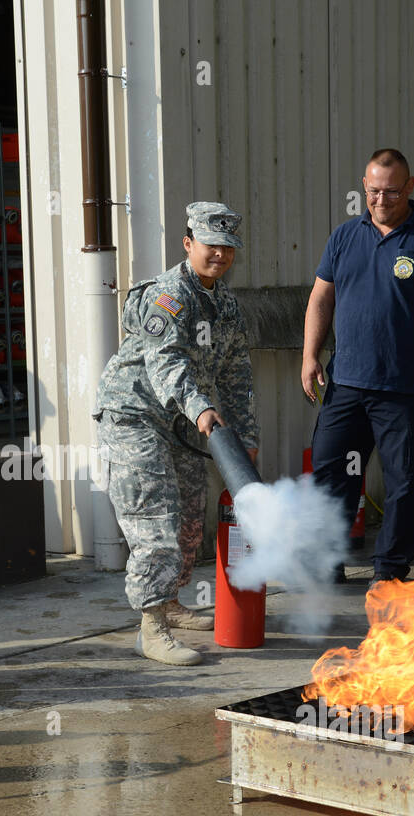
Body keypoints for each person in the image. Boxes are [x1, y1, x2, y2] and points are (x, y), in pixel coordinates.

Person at [94, 202, 258, 666]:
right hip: (135, 416)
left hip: (181, 424)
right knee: (156, 519)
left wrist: (246, 435)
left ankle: (170, 601)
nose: (220, 256)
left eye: (227, 248)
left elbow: (236, 374)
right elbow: (167, 362)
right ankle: (151, 628)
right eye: (211, 245)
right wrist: (202, 409)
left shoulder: (224, 302)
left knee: (189, 515)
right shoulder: (168, 295)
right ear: (188, 244)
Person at [302, 148, 414, 589]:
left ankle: (389, 571)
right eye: (373, 191)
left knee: (405, 481)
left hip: (405, 388)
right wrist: (309, 355)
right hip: (346, 384)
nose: (380, 200)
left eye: (391, 192)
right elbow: (321, 298)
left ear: (410, 186)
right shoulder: (344, 236)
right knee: (329, 474)